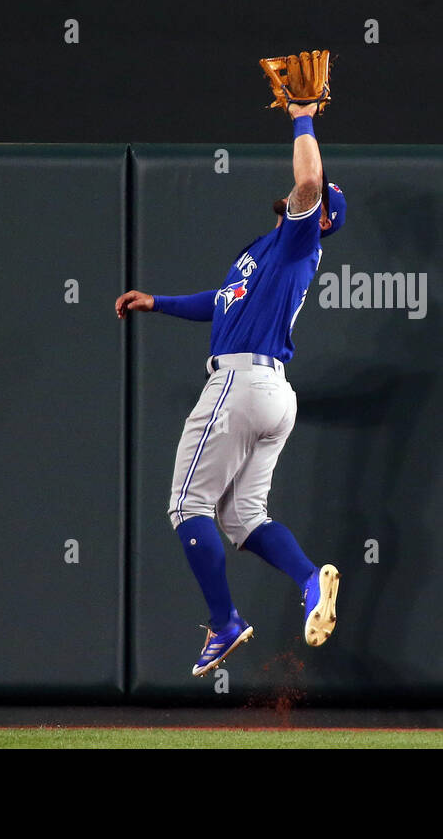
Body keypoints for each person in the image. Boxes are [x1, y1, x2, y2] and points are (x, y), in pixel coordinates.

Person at [115, 102, 345, 676]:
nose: (293, 201)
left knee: (186, 505)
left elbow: (310, 180)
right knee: (244, 518)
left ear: (320, 220)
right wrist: (158, 303)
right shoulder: (264, 252)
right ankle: (309, 581)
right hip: (271, 394)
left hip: (242, 382)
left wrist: (302, 115)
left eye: (307, 205)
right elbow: (220, 304)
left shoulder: (299, 245)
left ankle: (224, 623)